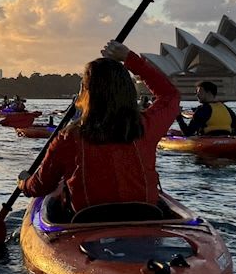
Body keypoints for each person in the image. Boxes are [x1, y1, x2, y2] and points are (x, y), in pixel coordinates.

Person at [19, 41, 179, 218]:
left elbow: (41, 185)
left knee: (52, 205)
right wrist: (130, 59)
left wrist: (24, 183)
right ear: (129, 90)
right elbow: (170, 95)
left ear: (86, 92)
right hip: (144, 214)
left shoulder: (69, 137)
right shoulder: (147, 125)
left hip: (88, 220)